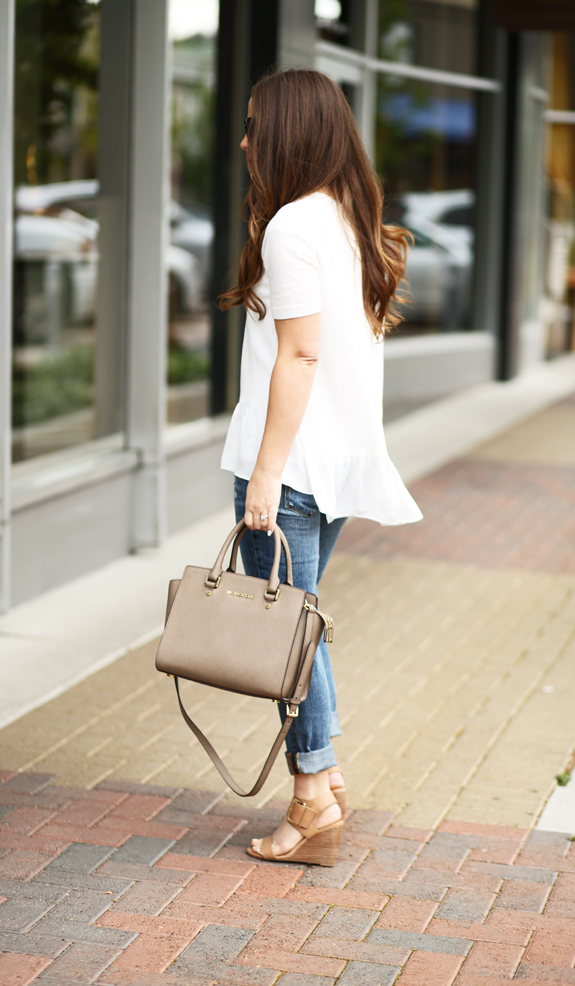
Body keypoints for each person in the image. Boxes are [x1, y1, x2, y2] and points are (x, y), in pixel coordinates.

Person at [219, 69, 422, 866]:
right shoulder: (346, 220)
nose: (243, 141)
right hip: (333, 463)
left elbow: (299, 356)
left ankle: (310, 800)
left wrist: (264, 475)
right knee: (302, 630)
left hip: (294, 466)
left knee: (287, 639)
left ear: (289, 132)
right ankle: (327, 785)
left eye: (252, 126)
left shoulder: (291, 228)